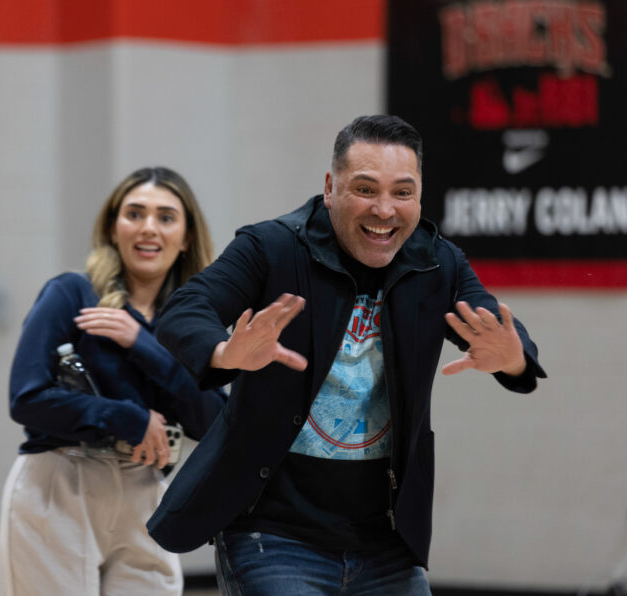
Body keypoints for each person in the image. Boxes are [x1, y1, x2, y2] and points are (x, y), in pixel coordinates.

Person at [146, 115, 547, 595]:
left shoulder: (436, 262)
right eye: (365, 189)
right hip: (272, 534)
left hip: (386, 539)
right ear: (331, 187)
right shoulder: (272, 247)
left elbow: (500, 327)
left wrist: (513, 356)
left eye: (403, 192)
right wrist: (222, 351)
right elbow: (185, 309)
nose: (385, 210)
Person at [0, 166, 226, 596]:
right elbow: (26, 399)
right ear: (113, 227)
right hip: (59, 483)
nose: (148, 228)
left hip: (145, 493)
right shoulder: (72, 294)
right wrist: (128, 418)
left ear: (186, 237)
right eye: (134, 214)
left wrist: (143, 343)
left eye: (165, 217)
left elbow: (216, 422)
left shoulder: (192, 327)